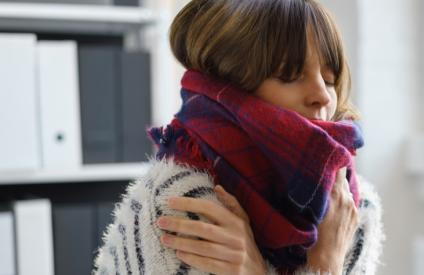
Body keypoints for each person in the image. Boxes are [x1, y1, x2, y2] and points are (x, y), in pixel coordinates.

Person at [93, 0, 383, 274]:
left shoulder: (352, 207)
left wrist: (324, 261)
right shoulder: (183, 200)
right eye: (289, 76)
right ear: (231, 90)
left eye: (330, 79)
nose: (322, 95)